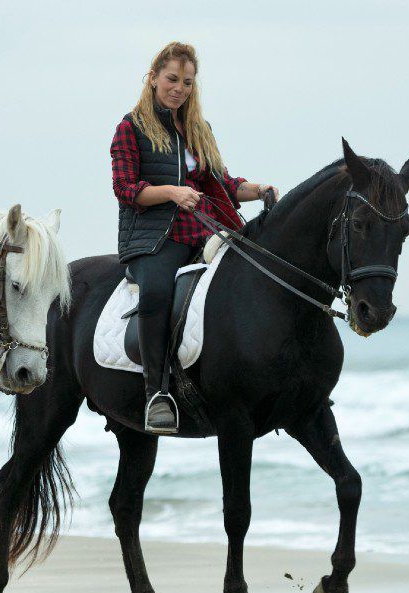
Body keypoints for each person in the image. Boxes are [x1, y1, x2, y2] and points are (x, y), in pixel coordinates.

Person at [110, 41, 277, 435]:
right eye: (171, 79)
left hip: (201, 231)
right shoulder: (130, 128)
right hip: (153, 239)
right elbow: (125, 189)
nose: (179, 88)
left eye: (187, 82)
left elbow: (221, 183)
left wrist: (257, 189)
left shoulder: (199, 130)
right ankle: (157, 392)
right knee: (155, 294)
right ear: (152, 78)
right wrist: (171, 191)